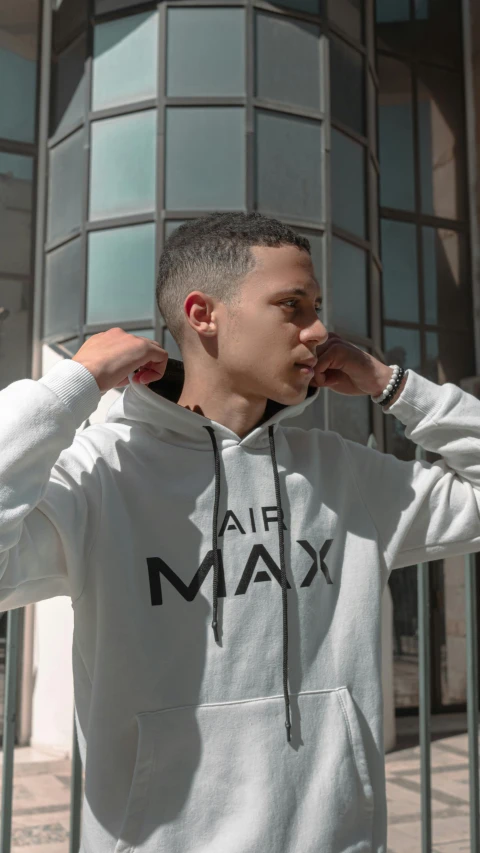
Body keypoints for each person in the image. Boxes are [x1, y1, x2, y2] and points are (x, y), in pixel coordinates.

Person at [0, 212, 479, 853]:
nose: (317, 330)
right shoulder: (100, 473)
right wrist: (69, 389)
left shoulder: (343, 473)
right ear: (204, 314)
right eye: (292, 306)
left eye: (316, 307)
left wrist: (392, 386)